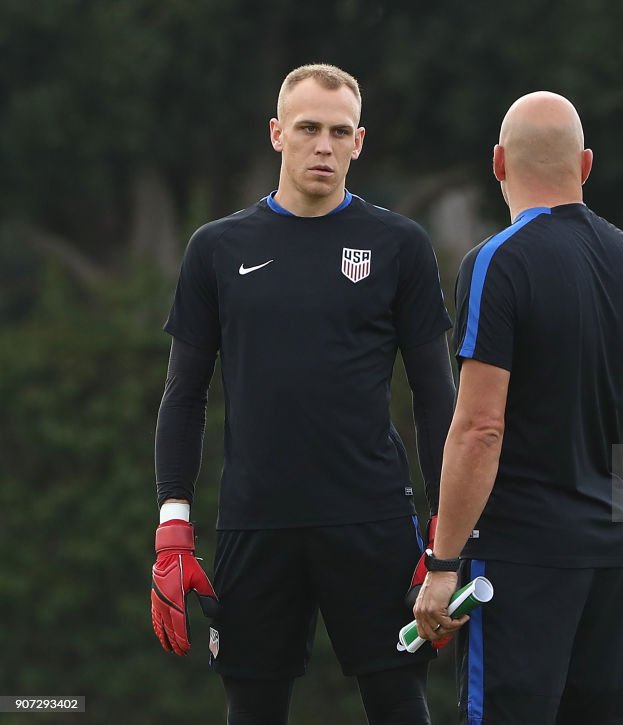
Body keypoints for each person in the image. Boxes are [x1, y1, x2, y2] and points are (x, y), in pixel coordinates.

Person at [149, 63, 455, 725]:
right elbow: (183, 394)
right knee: (251, 708)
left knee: (399, 702)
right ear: (276, 133)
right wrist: (173, 523)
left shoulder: (399, 245)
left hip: (371, 517)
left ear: (359, 142)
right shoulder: (215, 248)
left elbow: (437, 396)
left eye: (339, 132)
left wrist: (447, 528)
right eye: (308, 128)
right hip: (257, 520)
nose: (324, 145)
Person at [412, 91, 623, 725]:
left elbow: (479, 428)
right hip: (608, 555)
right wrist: (596, 376)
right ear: (586, 164)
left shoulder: (496, 262)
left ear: (498, 162)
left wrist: (443, 564)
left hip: (519, 559)